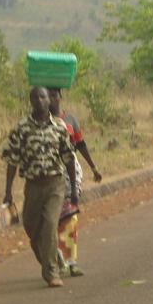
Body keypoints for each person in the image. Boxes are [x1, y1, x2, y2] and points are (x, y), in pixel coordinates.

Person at [2, 87, 78, 288]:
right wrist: (8, 191)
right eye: (35, 97)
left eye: (43, 97)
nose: (39, 100)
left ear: (49, 100)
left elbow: (69, 158)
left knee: (50, 225)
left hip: (55, 185)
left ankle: (51, 273)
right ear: (31, 101)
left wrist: (73, 190)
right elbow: (12, 161)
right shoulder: (21, 128)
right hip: (33, 186)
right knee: (32, 228)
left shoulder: (60, 127)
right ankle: (55, 259)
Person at [47, 88, 102, 277]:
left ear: (60, 97)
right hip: (50, 173)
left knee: (70, 218)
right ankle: (58, 260)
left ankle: (71, 262)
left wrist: (94, 168)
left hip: (71, 172)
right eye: (47, 96)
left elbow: (80, 144)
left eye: (54, 95)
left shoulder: (70, 119)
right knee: (52, 220)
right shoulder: (42, 122)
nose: (51, 99)